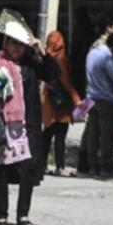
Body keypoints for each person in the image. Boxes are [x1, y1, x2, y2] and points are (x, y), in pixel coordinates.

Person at [0, 10, 59, 225]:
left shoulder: (31, 63)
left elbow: (53, 74)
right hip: (1, 125)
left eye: (21, 44)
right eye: (12, 43)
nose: (17, 48)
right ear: (5, 43)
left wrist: (41, 51)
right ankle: (1, 215)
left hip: (25, 128)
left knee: (26, 170)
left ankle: (23, 215)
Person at [82, 30, 113, 178]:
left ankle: (92, 166)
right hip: (105, 100)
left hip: (91, 97)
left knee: (93, 134)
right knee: (106, 135)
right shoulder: (106, 57)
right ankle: (105, 166)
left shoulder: (92, 53)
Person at [40, 29, 80, 177]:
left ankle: (42, 165)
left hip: (48, 99)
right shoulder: (60, 58)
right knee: (60, 135)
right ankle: (60, 166)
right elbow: (65, 81)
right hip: (60, 102)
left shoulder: (45, 57)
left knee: (48, 133)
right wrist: (75, 97)